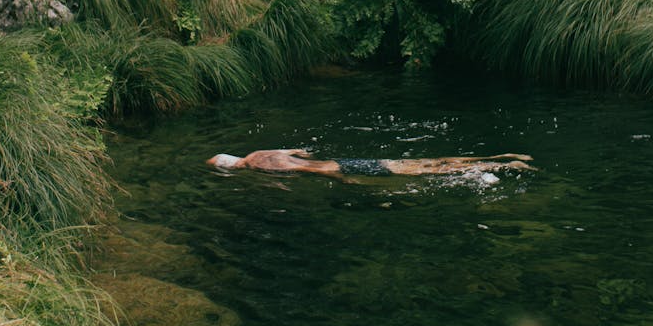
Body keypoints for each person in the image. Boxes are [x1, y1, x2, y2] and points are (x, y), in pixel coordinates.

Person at [207, 148, 535, 176]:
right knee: (428, 162)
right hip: (342, 159)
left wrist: (345, 179)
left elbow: (302, 169)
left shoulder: (257, 166)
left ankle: (504, 167)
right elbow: (300, 153)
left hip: (340, 168)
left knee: (421, 171)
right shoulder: (257, 152)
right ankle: (501, 158)